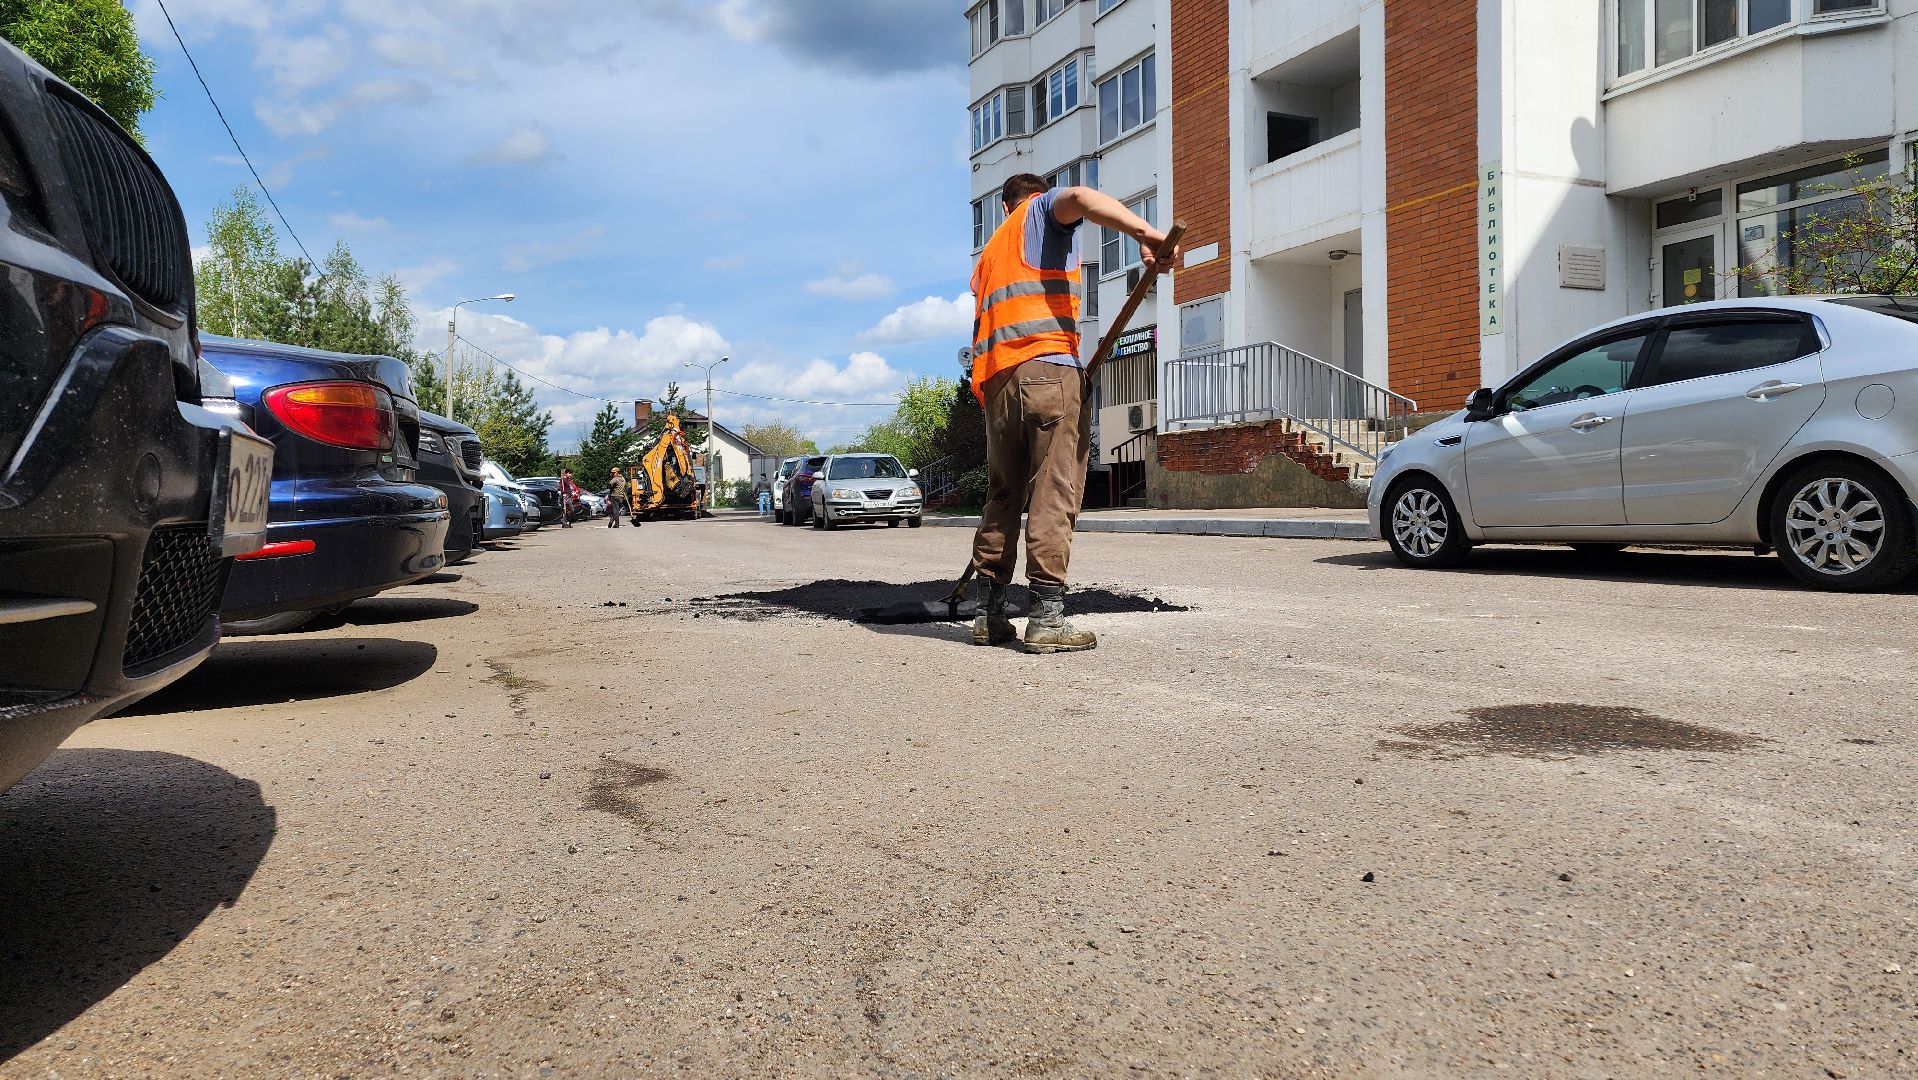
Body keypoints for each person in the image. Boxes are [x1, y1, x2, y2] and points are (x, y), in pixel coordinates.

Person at [966, 174, 1176, 654]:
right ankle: (1046, 617)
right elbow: (1080, 198)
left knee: (1003, 494)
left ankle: (988, 614)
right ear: (1034, 198)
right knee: (1053, 488)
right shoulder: (1040, 213)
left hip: (997, 386)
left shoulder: (989, 256)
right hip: (1046, 371)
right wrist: (1146, 233)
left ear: (1002, 207)